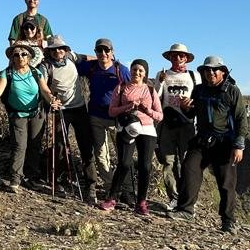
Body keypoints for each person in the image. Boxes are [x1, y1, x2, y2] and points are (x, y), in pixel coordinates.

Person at [179, 56, 248, 232]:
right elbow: (192, 114)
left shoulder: (232, 91)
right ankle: (186, 210)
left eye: (214, 70)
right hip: (202, 139)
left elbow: (241, 118)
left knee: (226, 182)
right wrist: (186, 109)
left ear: (223, 72)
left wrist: (238, 146)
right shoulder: (199, 90)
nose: (210, 73)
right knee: (189, 168)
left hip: (225, 142)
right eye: (206, 70)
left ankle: (228, 221)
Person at [0, 40, 52, 191]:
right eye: (17, 54)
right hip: (17, 114)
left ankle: (31, 177)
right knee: (19, 146)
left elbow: (45, 91)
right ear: (12, 58)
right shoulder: (7, 73)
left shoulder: (36, 72)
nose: (20, 57)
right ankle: (15, 178)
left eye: (24, 54)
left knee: (34, 145)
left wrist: (52, 100)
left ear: (29, 57)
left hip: (36, 112)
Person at [101, 59, 164, 215]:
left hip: (147, 129)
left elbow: (160, 115)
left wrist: (147, 110)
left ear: (145, 73)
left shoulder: (150, 90)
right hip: (126, 128)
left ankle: (141, 202)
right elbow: (112, 111)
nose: (137, 72)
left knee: (145, 166)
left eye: (140, 70)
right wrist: (128, 106)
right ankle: (111, 198)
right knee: (124, 163)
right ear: (130, 70)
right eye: (134, 69)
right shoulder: (121, 88)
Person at [41, 35, 98, 204]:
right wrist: (51, 98)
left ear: (65, 49)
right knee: (58, 145)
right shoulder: (46, 66)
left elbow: (85, 57)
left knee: (86, 147)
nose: (58, 51)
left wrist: (103, 57)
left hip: (79, 108)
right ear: (49, 52)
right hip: (61, 110)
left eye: (61, 48)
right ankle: (57, 180)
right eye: (54, 49)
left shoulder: (71, 57)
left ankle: (91, 185)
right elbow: (42, 84)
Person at [74, 38, 131, 190]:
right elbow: (72, 62)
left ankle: (125, 188)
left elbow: (133, 89)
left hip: (116, 118)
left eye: (106, 50)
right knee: (101, 154)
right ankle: (110, 187)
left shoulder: (121, 70)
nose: (103, 53)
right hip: (95, 116)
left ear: (112, 52)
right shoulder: (91, 67)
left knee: (122, 155)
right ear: (95, 52)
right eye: (99, 50)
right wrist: (87, 57)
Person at [154, 42, 199, 208]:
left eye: (181, 55)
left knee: (187, 163)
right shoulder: (163, 74)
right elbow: (156, 96)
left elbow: (198, 99)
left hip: (187, 124)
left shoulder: (194, 77)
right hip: (168, 124)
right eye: (174, 55)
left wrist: (190, 105)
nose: (178, 58)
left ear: (186, 58)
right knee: (168, 161)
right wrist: (160, 81)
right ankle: (174, 197)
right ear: (170, 57)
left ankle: (187, 200)